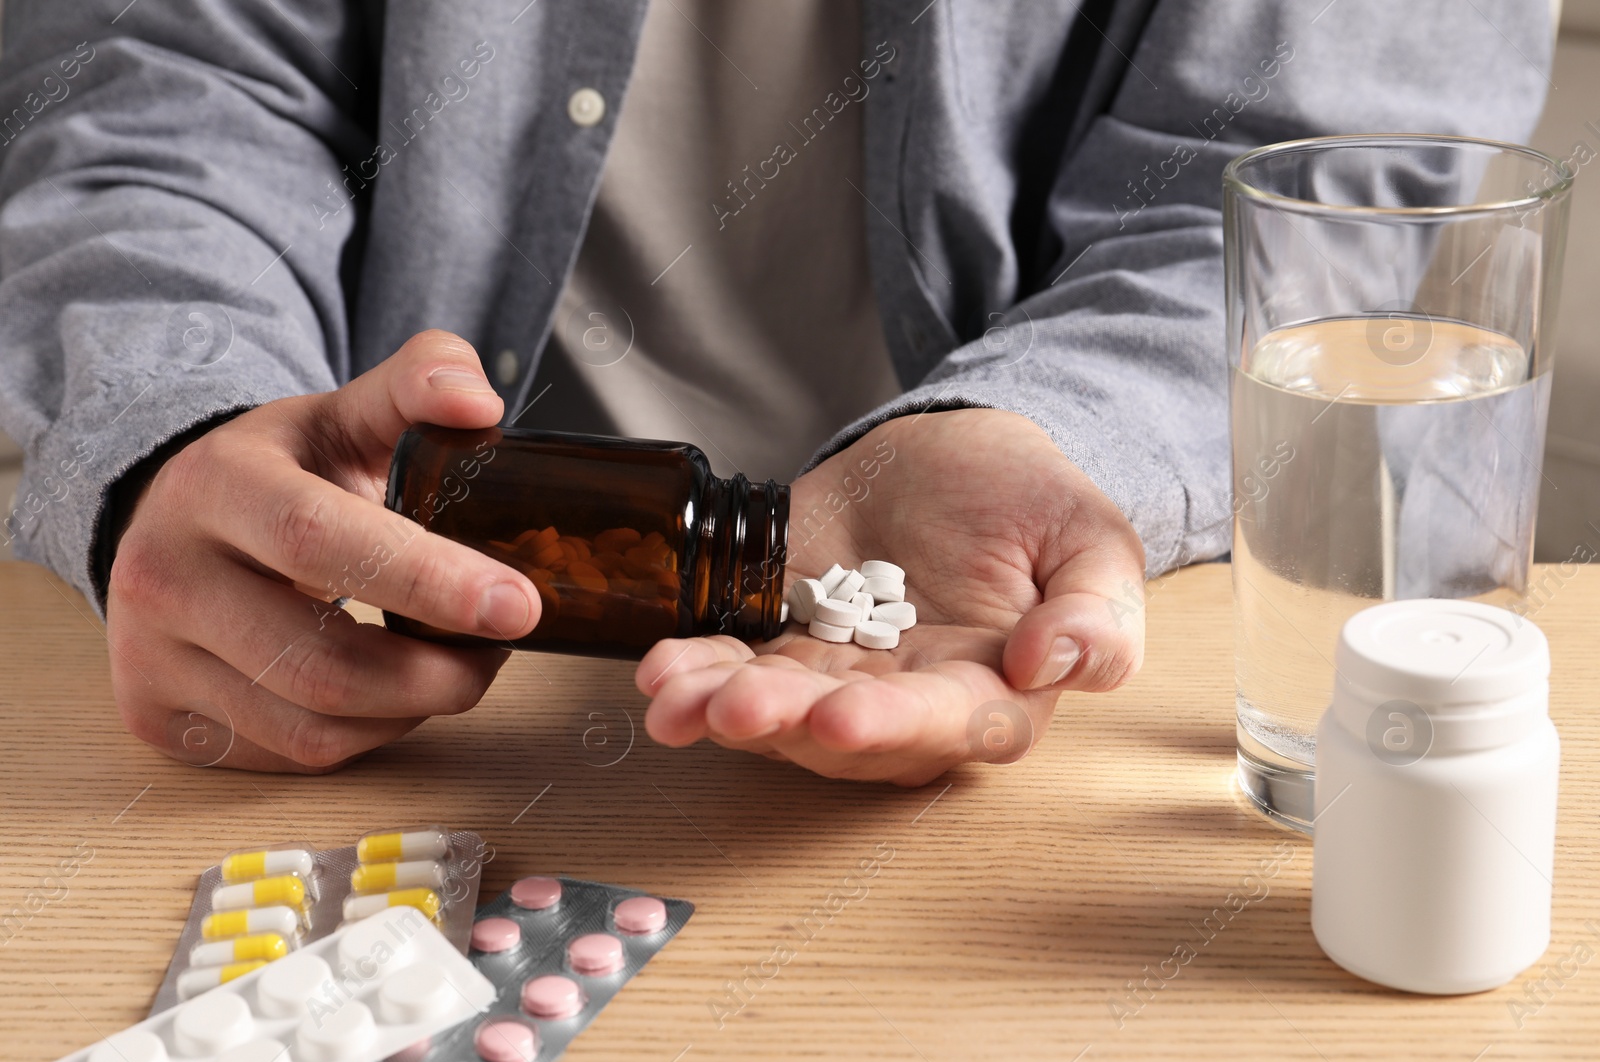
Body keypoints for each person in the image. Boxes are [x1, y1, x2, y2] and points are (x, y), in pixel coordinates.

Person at [0, 1, 1548, 782]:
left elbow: (1305, 189)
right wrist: (181, 429)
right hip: (398, 651)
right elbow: (170, 90)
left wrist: (1034, 435)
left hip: (1030, 621)